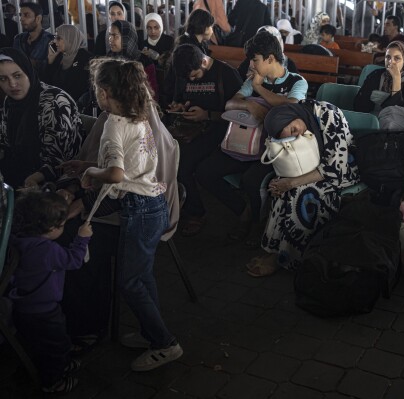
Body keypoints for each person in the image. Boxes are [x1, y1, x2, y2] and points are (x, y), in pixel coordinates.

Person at [82, 58, 182, 371]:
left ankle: (166, 344)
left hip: (139, 209)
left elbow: (114, 173)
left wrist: (89, 171)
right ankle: (151, 332)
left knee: (130, 283)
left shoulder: (113, 121)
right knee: (141, 277)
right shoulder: (139, 114)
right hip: (155, 205)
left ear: (104, 91)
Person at [196, 31, 308, 245]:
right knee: (204, 172)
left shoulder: (297, 81)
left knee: (251, 181)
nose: (251, 65)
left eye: (255, 60)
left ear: (271, 59)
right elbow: (230, 104)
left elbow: (291, 106)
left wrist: (257, 89)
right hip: (245, 144)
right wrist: (249, 103)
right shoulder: (253, 79)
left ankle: (257, 223)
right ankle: (244, 212)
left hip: (275, 151)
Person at [246, 100, 359, 276]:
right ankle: (274, 250)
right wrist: (284, 181)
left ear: (294, 116)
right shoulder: (295, 114)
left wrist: (291, 182)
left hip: (343, 169)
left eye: (293, 130)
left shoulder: (328, 115)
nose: (297, 135)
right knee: (279, 187)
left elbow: (335, 167)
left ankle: (287, 255)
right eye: (289, 136)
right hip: (310, 167)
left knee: (300, 191)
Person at [10, 191, 93, 394]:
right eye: (61, 225)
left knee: (34, 342)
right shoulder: (46, 249)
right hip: (45, 310)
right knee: (56, 344)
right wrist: (82, 238)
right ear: (49, 228)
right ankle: (53, 381)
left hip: (22, 307)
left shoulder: (17, 240)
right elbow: (73, 260)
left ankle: (34, 370)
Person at [169, 44, 243, 236]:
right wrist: (179, 106)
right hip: (194, 130)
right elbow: (180, 97)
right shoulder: (184, 71)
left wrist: (207, 115)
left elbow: (239, 114)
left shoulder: (226, 74)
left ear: (203, 61)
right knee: (173, 160)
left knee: (187, 165)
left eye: (194, 76)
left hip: (222, 131)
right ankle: (189, 209)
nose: (191, 80)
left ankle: (198, 212)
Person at [0, 48, 83, 189]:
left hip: (56, 181)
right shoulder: (10, 102)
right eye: (3, 79)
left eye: (17, 76)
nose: (12, 84)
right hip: (20, 173)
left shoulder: (54, 102)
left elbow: (60, 161)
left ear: (28, 72)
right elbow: (5, 144)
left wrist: (33, 179)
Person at [354, 41, 404, 115]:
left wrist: (396, 79)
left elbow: (400, 114)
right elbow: (358, 107)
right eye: (388, 57)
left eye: (397, 58)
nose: (390, 62)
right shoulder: (375, 75)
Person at [108, 20, 159, 101]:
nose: (110, 39)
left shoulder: (144, 62)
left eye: (115, 35)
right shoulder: (109, 58)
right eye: (110, 35)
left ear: (127, 37)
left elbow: (152, 94)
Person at [44, 24, 92, 104]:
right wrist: (50, 60)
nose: (55, 41)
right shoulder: (58, 57)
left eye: (59, 38)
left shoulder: (86, 59)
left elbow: (80, 90)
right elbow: (46, 84)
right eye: (55, 37)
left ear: (70, 39)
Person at [13, 2, 54, 75]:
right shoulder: (18, 39)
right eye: (20, 15)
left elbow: (52, 68)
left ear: (38, 18)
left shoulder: (51, 40)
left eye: (26, 15)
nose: (21, 19)